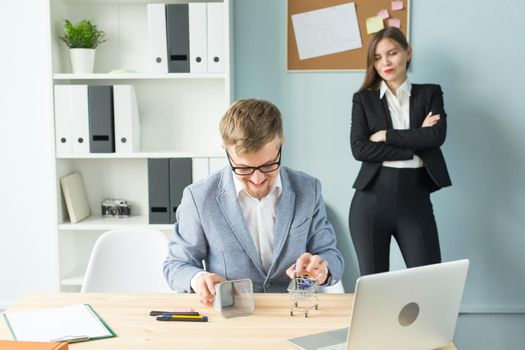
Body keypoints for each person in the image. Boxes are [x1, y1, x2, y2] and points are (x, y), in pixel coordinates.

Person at [164, 99, 344, 305]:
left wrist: (322, 269)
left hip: (295, 309)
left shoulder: (308, 188)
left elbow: (331, 255)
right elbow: (176, 265)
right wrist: (198, 279)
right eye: (244, 169)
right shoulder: (199, 197)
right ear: (225, 150)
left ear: (281, 143)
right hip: (232, 313)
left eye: (269, 165)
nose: (257, 180)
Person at [349, 27, 451, 276]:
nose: (385, 62)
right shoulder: (364, 99)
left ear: (408, 52)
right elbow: (360, 148)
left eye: (392, 53)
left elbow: (436, 136)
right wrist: (414, 143)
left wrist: (387, 136)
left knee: (428, 282)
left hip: (415, 200)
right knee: (375, 290)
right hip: (370, 202)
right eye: (377, 57)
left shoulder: (430, 93)